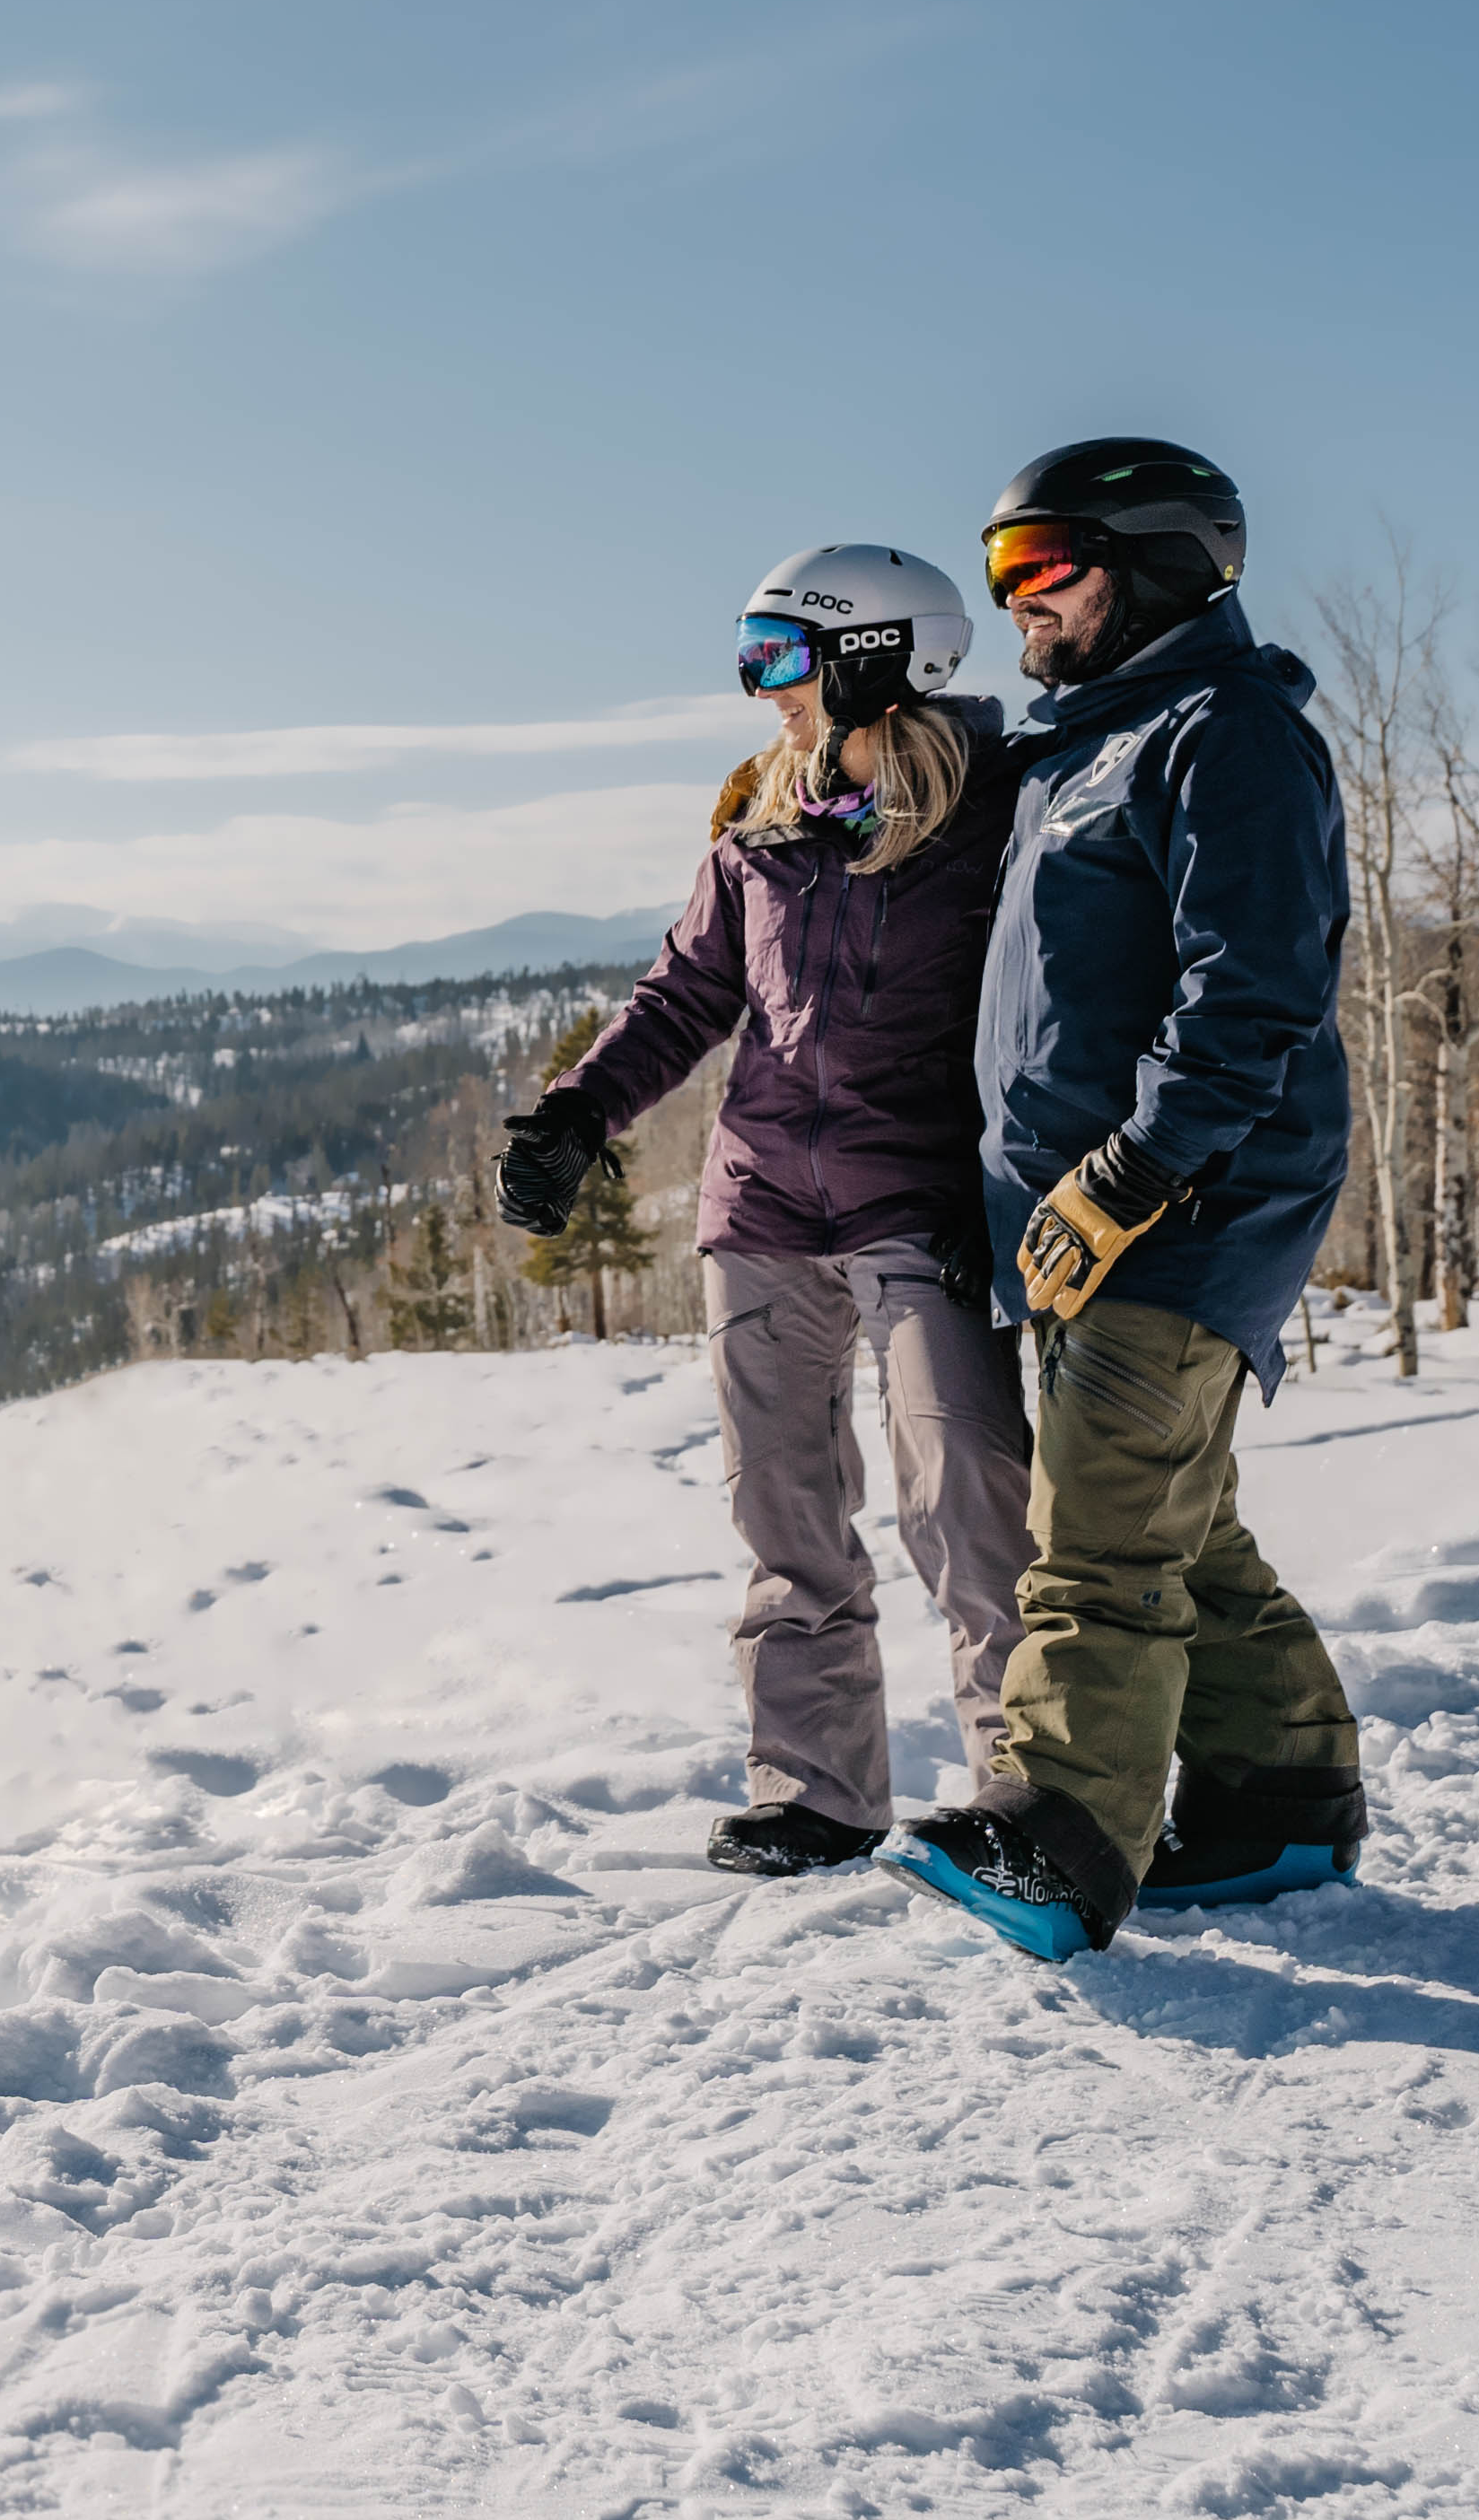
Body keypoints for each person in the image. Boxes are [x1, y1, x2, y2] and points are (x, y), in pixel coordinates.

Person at [889, 438, 1366, 1961]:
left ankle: (1061, 1836)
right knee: (1180, 1521)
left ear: (1159, 565)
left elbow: (1255, 988)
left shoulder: (1227, 734)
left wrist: (1133, 1172)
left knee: (1097, 1538)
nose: (1013, 599)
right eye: (999, 570)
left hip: (1184, 1203)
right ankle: (1280, 1801)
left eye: (1041, 565)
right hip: (1076, 1213)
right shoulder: (1082, 748)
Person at [494, 545, 1038, 1878]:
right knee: (785, 1515)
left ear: (880, 658)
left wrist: (1029, 1174)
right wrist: (578, 1114)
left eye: (780, 658)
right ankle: (818, 1793)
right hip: (762, 1207)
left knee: (970, 1506)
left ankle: (1032, 1794)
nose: (760, 690)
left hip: (921, 1201)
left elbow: (1055, 1004)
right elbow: (686, 995)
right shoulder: (761, 822)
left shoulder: (1003, 813)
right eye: (751, 659)